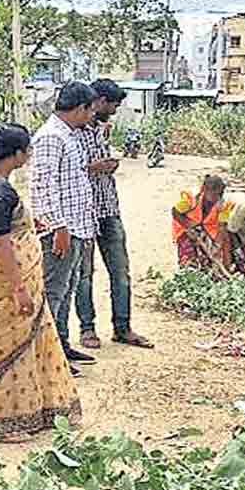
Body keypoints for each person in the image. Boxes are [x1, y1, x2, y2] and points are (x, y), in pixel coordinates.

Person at [0, 124, 82, 440]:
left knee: (17, 342)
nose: (29, 156)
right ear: (15, 154)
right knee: (7, 345)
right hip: (2, 282)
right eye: (27, 150)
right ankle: (5, 419)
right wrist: (19, 288)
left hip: (0, 276)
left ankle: (29, 410)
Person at [74, 79, 154, 351]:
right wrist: (94, 167)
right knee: (84, 275)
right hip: (83, 212)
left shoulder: (100, 130)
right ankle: (87, 329)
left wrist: (106, 166)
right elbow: (66, 172)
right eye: (114, 104)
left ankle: (123, 327)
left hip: (109, 209)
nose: (116, 110)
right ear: (99, 101)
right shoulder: (71, 131)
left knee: (120, 272)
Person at [30, 81, 99, 369]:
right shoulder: (50, 137)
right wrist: (58, 227)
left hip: (75, 229)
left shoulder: (67, 135)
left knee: (67, 290)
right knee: (53, 293)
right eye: (90, 111)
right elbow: (43, 187)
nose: (91, 116)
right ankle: (46, 356)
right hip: (61, 231)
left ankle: (61, 346)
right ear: (80, 108)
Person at [172, 174, 234, 276]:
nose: (216, 198)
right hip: (184, 228)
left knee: (208, 260)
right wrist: (189, 227)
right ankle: (187, 272)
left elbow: (222, 227)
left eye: (219, 194)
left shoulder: (224, 205)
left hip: (206, 232)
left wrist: (217, 246)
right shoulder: (191, 198)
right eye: (213, 194)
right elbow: (175, 212)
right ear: (205, 190)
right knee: (188, 256)